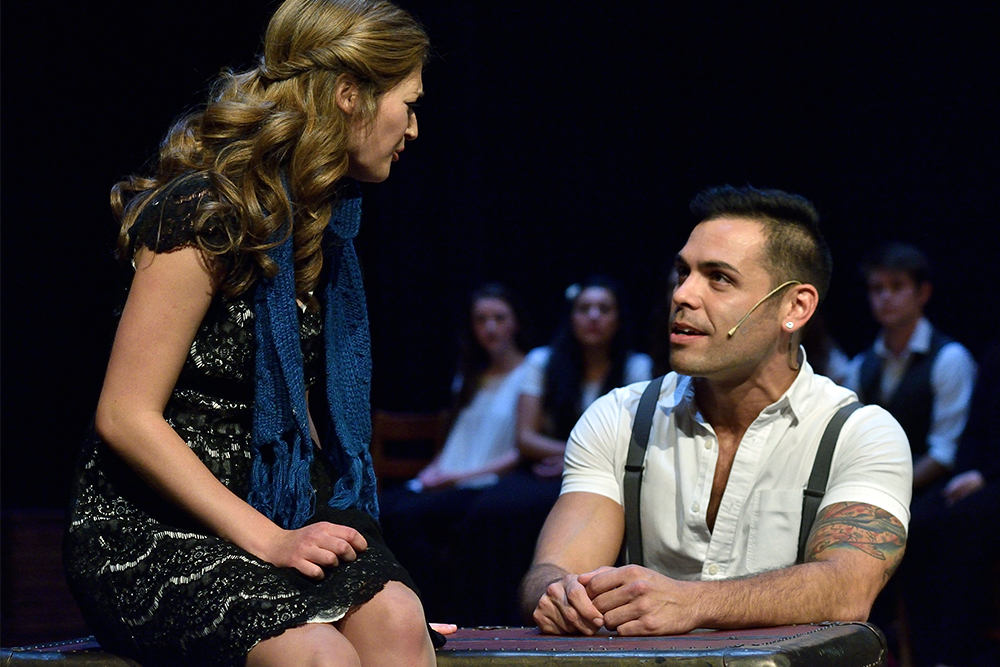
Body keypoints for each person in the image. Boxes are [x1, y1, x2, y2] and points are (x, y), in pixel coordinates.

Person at [62, 2, 453, 666]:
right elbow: (124, 415)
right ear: (349, 96)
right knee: (319, 657)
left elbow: (296, 414)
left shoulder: (318, 224)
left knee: (395, 622)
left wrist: (378, 589)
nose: (414, 128)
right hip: (151, 529)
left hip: (274, 506)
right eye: (407, 103)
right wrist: (270, 540)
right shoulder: (206, 214)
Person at [519, 185, 912, 636]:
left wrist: (692, 603)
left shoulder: (860, 434)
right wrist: (554, 594)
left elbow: (847, 587)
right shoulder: (619, 418)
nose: (683, 294)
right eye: (682, 272)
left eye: (719, 278)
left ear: (795, 306)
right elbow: (552, 569)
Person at [458, 277, 653, 626]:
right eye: (584, 309)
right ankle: (488, 616)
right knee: (491, 508)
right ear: (571, 316)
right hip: (545, 468)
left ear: (619, 318)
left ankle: (580, 610)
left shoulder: (635, 366)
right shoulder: (544, 361)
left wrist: (571, 457)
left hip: (605, 471)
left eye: (604, 309)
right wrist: (571, 453)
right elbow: (526, 438)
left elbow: (634, 440)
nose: (593, 317)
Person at [379, 284, 532, 622]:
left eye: (499, 318)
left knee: (407, 519)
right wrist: (432, 471)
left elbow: (519, 451)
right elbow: (457, 441)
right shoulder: (471, 374)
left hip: (484, 483)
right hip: (448, 478)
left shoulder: (530, 371)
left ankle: (432, 608)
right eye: (481, 319)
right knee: (381, 510)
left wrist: (455, 478)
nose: (490, 327)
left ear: (515, 322)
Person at [845, 242, 977, 492]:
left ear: (923, 293)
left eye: (897, 286)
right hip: (872, 489)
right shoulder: (861, 365)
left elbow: (944, 454)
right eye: (877, 288)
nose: (885, 297)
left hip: (931, 493)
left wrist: (884, 491)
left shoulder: (949, 358)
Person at [902, 341, 1000, 667]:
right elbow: (974, 429)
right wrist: (970, 471)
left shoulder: (947, 355)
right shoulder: (994, 352)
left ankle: (958, 650)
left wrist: (986, 474)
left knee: (968, 522)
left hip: (992, 476)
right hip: (981, 473)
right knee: (919, 522)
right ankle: (921, 652)